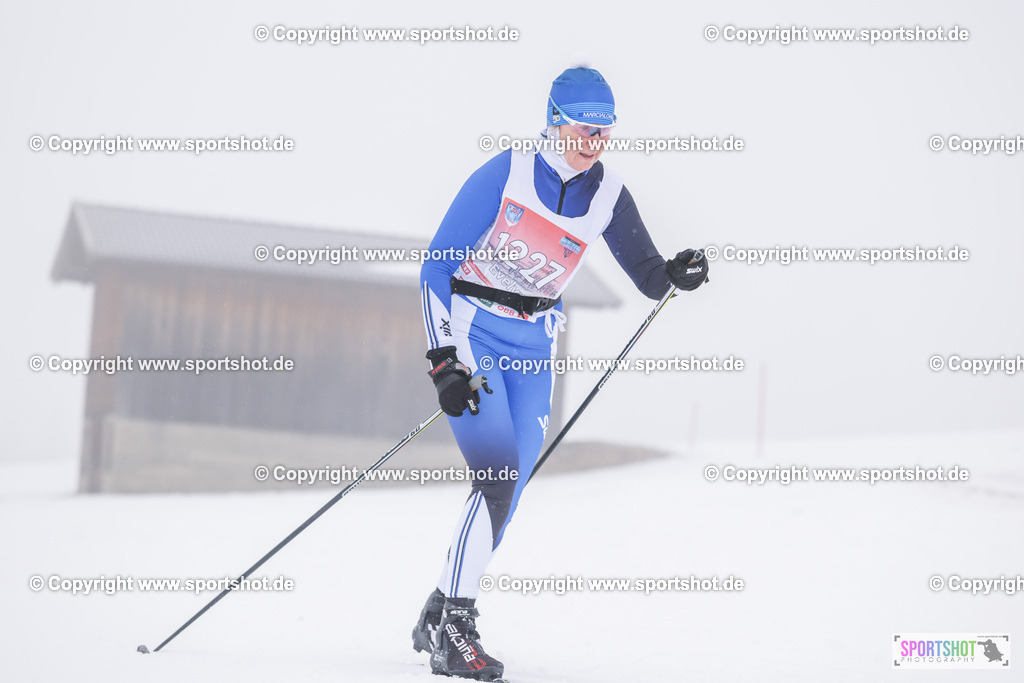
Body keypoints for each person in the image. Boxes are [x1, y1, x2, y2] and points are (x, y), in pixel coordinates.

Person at [413, 64, 709, 680]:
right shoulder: (508, 172)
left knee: (512, 487)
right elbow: (435, 268)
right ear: (553, 121)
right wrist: (444, 362)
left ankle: (441, 605)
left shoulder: (607, 194)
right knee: (497, 475)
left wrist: (676, 274)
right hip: (474, 330)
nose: (592, 144)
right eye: (581, 130)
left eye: (603, 133)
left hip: (534, 345)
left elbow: (649, 276)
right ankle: (456, 627)